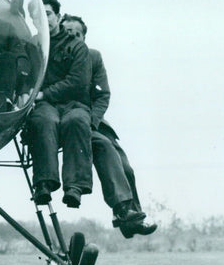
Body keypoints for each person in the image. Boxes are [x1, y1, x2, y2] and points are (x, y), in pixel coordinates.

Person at [62, 15, 157, 238]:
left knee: (125, 166)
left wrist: (93, 122)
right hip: (69, 119)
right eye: (68, 34)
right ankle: (123, 211)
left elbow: (103, 94)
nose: (73, 38)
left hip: (92, 120)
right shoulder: (55, 57)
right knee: (103, 147)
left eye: (78, 35)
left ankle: (133, 217)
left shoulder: (93, 58)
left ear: (84, 38)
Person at [26, 0, 92, 208]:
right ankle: (44, 183)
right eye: (38, 15)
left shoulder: (77, 47)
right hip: (46, 106)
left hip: (74, 104)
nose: (43, 19)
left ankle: (74, 187)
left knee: (77, 122)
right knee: (43, 121)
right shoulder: (33, 46)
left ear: (58, 16)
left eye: (47, 14)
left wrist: (44, 94)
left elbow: (78, 82)